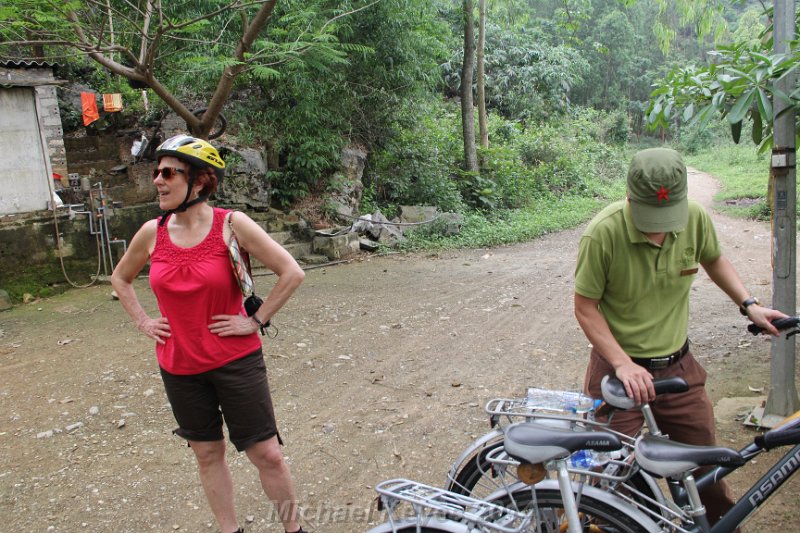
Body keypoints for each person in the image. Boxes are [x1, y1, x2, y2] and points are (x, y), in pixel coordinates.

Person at [573, 147, 786, 525]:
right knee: (608, 482)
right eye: (649, 217)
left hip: (678, 368)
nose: (658, 228)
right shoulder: (602, 234)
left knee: (709, 474)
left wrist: (749, 304)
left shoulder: (693, 218)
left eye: (666, 217)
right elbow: (585, 307)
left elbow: (713, 258)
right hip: (617, 373)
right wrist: (623, 364)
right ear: (628, 197)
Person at [111, 134, 307, 533]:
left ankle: (295, 529)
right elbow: (121, 278)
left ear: (199, 181)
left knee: (266, 453)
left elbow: (292, 272)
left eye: (168, 173)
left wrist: (255, 320)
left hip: (235, 361)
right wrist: (143, 321)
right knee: (206, 452)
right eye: (156, 173)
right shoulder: (153, 231)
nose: (157, 181)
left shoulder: (231, 225)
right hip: (179, 366)